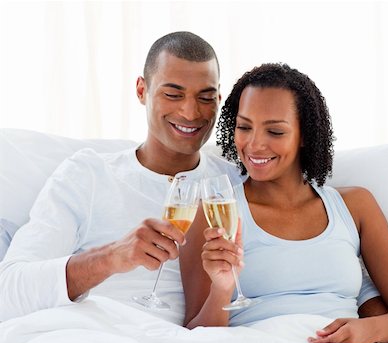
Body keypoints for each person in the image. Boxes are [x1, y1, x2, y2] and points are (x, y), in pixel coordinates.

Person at [180, 63, 388, 343]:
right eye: (244, 127)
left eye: (274, 131)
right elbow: (193, 335)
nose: (255, 144)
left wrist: (369, 330)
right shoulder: (214, 212)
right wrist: (221, 291)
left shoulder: (355, 205)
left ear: (304, 135)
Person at [0, 31, 240, 324]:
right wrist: (112, 257)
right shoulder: (88, 174)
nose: (190, 112)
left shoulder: (233, 184)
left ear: (219, 97)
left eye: (205, 97)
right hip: (92, 335)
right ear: (142, 90)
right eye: (173, 94)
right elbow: (8, 292)